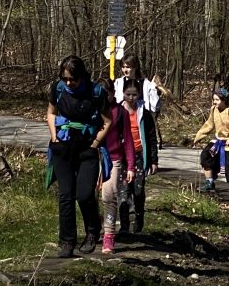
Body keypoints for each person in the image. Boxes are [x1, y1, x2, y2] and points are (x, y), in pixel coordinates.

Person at [47, 55, 111, 258]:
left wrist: (95, 142)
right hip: (62, 148)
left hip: (86, 149)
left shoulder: (95, 93)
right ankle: (67, 242)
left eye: (72, 79)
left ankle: (92, 232)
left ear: (82, 76)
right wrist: (54, 135)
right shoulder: (57, 89)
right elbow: (50, 112)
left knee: (83, 194)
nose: (68, 83)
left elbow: (107, 121)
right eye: (65, 78)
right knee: (65, 196)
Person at [98, 78, 136, 254]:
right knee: (88, 197)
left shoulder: (120, 112)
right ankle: (93, 229)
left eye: (108, 93)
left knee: (109, 195)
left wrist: (131, 166)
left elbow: (128, 139)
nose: (106, 97)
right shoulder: (92, 109)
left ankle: (109, 236)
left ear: (113, 93)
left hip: (114, 158)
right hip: (93, 157)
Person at [192, 88, 229, 205]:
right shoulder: (214, 110)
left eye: (217, 100)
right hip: (218, 141)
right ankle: (209, 182)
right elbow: (209, 125)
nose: (214, 102)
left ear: (224, 100)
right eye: (213, 99)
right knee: (205, 156)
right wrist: (198, 137)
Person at [119, 78, 159, 234]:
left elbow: (151, 138)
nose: (131, 98)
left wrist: (154, 161)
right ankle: (124, 225)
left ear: (139, 95)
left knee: (137, 189)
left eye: (134, 94)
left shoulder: (145, 114)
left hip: (139, 155)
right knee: (123, 191)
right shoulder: (118, 112)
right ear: (123, 94)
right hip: (122, 157)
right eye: (128, 94)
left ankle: (139, 216)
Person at [114, 54, 162, 148]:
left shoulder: (146, 84)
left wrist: (155, 90)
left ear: (135, 67)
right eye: (123, 67)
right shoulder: (118, 83)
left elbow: (154, 106)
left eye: (128, 67)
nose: (125, 70)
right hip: (123, 123)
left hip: (140, 124)